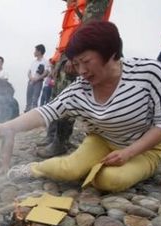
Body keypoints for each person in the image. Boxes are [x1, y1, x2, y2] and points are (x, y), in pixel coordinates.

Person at [0, 21, 161, 192]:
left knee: (109, 180)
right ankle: (34, 169)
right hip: (102, 140)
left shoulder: (149, 72)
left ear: (110, 52)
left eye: (86, 62)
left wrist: (129, 153)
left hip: (143, 149)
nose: (81, 71)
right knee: (70, 169)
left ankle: (134, 169)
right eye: (76, 64)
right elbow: (46, 111)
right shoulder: (80, 89)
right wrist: (6, 127)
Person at [37, 0, 114, 158]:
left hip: (76, 53)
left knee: (67, 98)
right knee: (56, 96)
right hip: (66, 52)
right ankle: (52, 136)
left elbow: (89, 28)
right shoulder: (75, 3)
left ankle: (60, 142)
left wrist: (75, 57)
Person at [25, 44, 50, 112]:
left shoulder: (45, 61)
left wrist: (37, 79)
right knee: (28, 99)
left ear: (39, 51)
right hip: (30, 82)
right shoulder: (33, 62)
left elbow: (46, 72)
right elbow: (29, 72)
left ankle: (32, 115)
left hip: (38, 82)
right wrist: (31, 78)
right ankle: (26, 113)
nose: (34, 52)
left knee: (35, 100)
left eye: (35, 50)